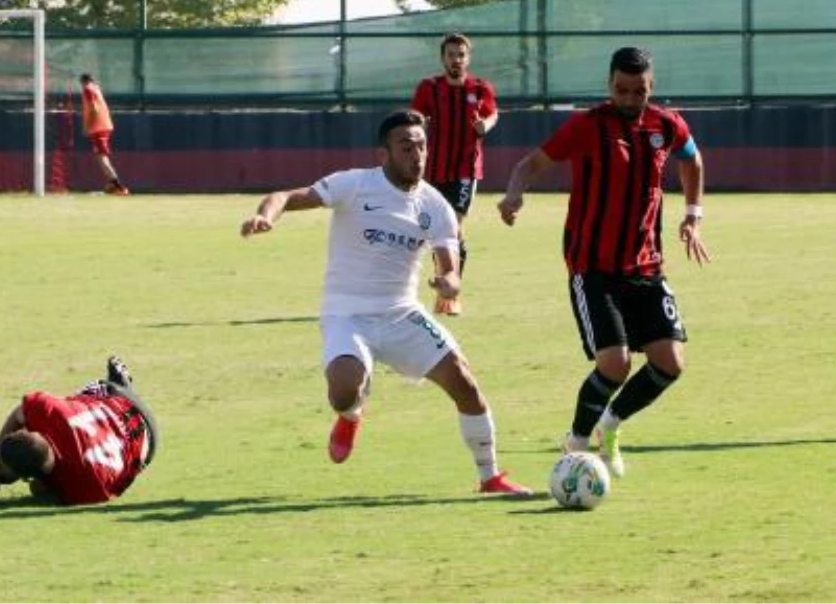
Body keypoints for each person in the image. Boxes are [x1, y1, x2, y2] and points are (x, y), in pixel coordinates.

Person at [239, 109, 531, 496]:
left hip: (401, 313)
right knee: (342, 390)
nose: (417, 155)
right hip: (347, 313)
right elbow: (285, 196)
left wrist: (449, 284)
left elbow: (451, 267)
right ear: (383, 154)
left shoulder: (435, 205)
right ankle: (351, 413)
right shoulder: (356, 184)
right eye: (406, 146)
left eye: (422, 146)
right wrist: (266, 217)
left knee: (465, 385)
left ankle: (490, 477)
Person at [497, 47, 711, 479]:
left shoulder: (667, 125)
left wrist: (693, 215)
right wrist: (515, 192)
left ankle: (610, 425)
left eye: (639, 91)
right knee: (615, 364)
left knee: (671, 362)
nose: (630, 98)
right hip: (592, 267)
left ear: (652, 86)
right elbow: (530, 163)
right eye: (621, 90)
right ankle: (575, 445)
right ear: (609, 85)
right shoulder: (587, 126)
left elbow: (693, 160)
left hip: (646, 266)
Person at [0, 356, 158, 505]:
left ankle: (122, 383)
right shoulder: (48, 413)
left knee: (90, 393)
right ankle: (120, 385)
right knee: (87, 395)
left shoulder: (85, 485)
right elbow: (18, 414)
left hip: (146, 437)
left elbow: (45, 489)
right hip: (121, 408)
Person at [410, 33, 500, 316]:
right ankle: (425, 289)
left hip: (465, 169)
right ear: (443, 58)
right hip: (433, 170)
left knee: (453, 228)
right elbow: (416, 114)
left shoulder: (480, 88)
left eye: (461, 55)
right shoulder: (429, 87)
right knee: (430, 230)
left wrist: (486, 124)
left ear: (467, 58)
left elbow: (492, 114)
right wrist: (418, 123)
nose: (456, 60)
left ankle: (451, 293)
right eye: (451, 55)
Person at [80, 73, 129, 196]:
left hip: (98, 127)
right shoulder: (96, 88)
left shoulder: (88, 89)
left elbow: (94, 108)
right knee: (101, 157)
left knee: (102, 157)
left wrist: (88, 126)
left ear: (82, 81)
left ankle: (119, 187)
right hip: (103, 126)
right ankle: (113, 184)